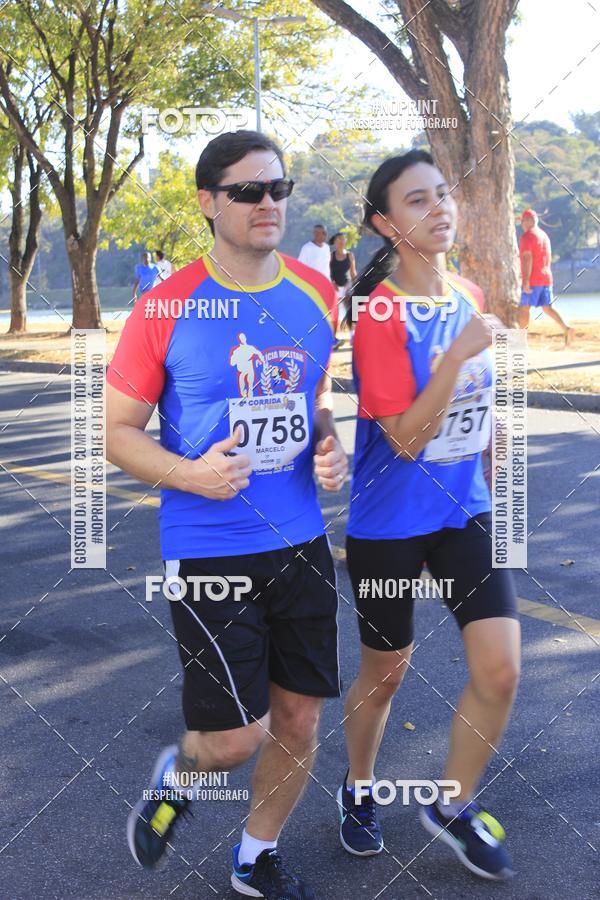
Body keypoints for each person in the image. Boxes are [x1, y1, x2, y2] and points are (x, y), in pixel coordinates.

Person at [106, 129, 348, 899]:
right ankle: (180, 774)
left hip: (302, 543)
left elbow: (315, 392)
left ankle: (255, 858)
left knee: (300, 718)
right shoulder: (166, 304)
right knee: (237, 737)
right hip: (209, 546)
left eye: (279, 188)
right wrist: (192, 475)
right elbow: (116, 432)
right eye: (248, 191)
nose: (268, 202)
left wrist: (329, 441)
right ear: (209, 202)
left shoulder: (316, 294)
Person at [337, 150, 520, 882]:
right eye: (417, 200)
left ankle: (452, 803)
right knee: (386, 673)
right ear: (386, 223)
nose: (440, 207)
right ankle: (358, 788)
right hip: (389, 523)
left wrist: (490, 442)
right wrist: (454, 358)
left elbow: (471, 399)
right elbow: (405, 439)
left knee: (500, 669)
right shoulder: (380, 316)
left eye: (443, 193)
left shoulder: (467, 292)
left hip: (462, 511)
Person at [517, 209, 573, 344]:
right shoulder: (544, 236)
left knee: (524, 308)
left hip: (533, 279)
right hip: (546, 278)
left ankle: (521, 340)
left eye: (522, 221)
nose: (522, 224)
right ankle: (566, 328)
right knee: (547, 308)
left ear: (529, 221)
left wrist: (526, 281)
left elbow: (528, 258)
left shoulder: (527, 237)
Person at [329, 231, 357, 305]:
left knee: (348, 307)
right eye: (339, 239)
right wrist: (332, 283)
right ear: (335, 242)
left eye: (343, 239)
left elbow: (353, 273)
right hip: (333, 287)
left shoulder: (350, 255)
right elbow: (327, 272)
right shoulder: (331, 256)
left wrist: (354, 285)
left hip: (346, 287)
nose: (341, 241)